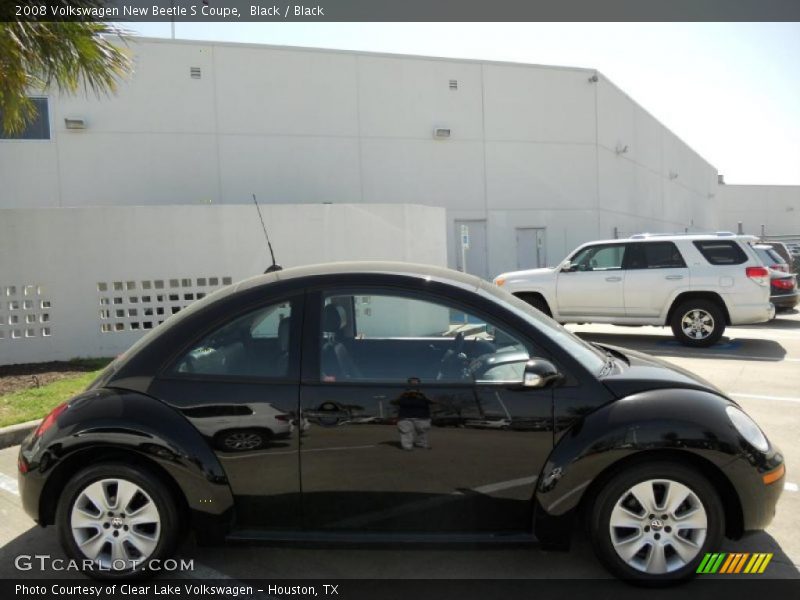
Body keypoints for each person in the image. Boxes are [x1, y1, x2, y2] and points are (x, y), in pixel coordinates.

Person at [395, 377, 432, 450]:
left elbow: (434, 402)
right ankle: (407, 446)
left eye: (416, 382)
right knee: (406, 432)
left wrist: (423, 395)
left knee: (422, 432)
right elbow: (393, 402)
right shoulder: (403, 394)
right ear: (408, 383)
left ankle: (422, 444)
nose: (413, 384)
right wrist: (402, 394)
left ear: (419, 383)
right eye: (411, 382)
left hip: (422, 416)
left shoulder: (423, 393)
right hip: (405, 416)